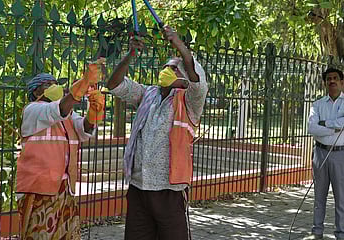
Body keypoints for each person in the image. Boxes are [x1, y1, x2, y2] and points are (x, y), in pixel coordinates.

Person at [106, 25, 207, 240]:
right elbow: (113, 84)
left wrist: (179, 45)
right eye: (166, 67)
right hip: (138, 185)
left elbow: (197, 82)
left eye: (175, 69)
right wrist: (130, 55)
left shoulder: (189, 101)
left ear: (186, 78)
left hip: (169, 189)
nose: (168, 70)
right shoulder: (147, 94)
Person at [16, 62, 105, 239]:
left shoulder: (67, 114)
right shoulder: (33, 110)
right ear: (36, 92)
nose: (54, 87)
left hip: (65, 188)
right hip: (39, 189)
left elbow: (84, 130)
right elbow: (55, 110)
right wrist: (84, 82)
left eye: (54, 83)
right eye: (47, 85)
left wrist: (94, 112)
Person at [306, 68, 344, 240]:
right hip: (320, 153)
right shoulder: (318, 104)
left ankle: (341, 234)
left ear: (342, 82)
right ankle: (317, 232)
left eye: (336, 78)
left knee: (341, 197)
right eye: (328, 79)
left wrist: (326, 124)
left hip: (341, 154)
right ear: (325, 83)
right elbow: (312, 128)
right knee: (319, 196)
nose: (332, 81)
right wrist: (335, 129)